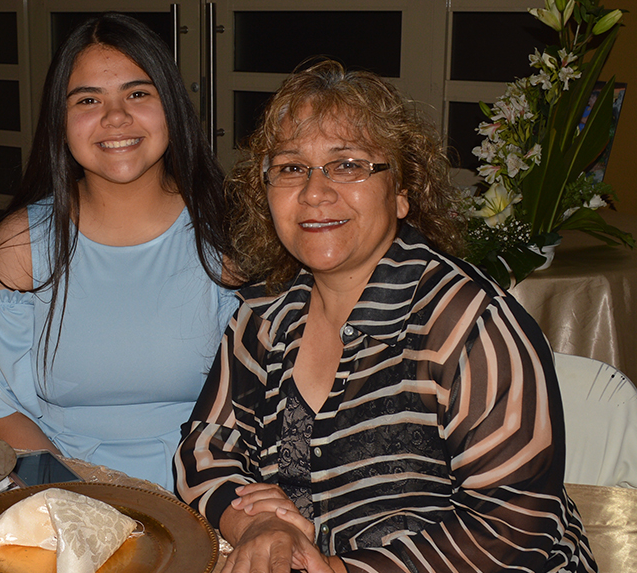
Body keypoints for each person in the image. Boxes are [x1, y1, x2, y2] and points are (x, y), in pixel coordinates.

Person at [175, 60, 596, 572]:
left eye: (347, 164)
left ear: (401, 192)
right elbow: (204, 444)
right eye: (290, 168)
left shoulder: (468, 324)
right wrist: (258, 524)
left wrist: (341, 569)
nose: (314, 192)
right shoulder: (264, 315)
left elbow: (512, 527)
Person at [0, 12, 239, 490]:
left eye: (138, 93)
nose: (116, 117)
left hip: (211, 490)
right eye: (88, 99)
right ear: (60, 123)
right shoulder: (21, 247)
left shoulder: (229, 241)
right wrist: (84, 499)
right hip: (61, 489)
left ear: (172, 107)